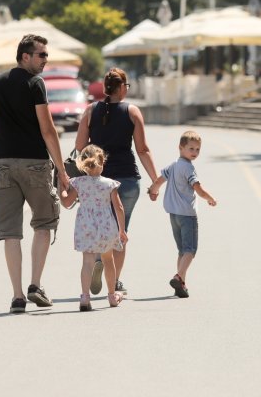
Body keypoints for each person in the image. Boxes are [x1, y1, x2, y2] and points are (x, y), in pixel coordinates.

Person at [0, 34, 71, 314]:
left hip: (3, 165)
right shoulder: (35, 84)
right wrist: (62, 171)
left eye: (46, 55)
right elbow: (48, 129)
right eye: (41, 55)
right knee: (44, 223)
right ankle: (35, 285)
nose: (45, 60)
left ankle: (17, 296)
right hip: (35, 165)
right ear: (24, 56)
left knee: (9, 232)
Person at [74, 67, 158, 297]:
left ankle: (99, 259)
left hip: (98, 182)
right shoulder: (132, 111)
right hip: (127, 181)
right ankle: (116, 281)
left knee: (98, 227)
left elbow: (80, 146)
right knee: (120, 232)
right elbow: (143, 149)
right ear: (122, 87)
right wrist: (155, 181)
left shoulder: (91, 110)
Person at [147, 130, 217, 298]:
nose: (195, 153)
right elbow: (197, 188)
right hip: (187, 215)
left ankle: (182, 284)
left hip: (173, 215)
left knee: (182, 251)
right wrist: (210, 198)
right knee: (190, 250)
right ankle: (178, 276)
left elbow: (158, 181)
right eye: (191, 149)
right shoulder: (189, 169)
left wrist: (153, 191)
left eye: (198, 150)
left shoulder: (173, 166)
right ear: (181, 147)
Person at [60, 145, 128, 311]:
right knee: (108, 260)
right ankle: (112, 295)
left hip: (86, 225)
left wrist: (62, 188)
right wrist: (122, 230)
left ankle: (85, 297)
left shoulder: (78, 183)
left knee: (87, 262)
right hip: (106, 226)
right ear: (102, 162)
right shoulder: (110, 184)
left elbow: (67, 202)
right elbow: (119, 207)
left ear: (82, 164)